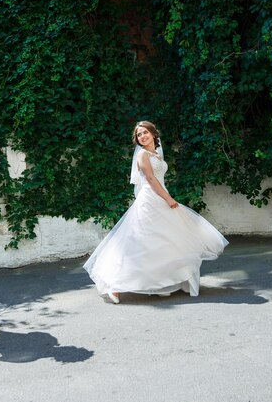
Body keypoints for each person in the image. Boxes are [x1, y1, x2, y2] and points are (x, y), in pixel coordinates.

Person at [83, 121, 228, 304]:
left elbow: (159, 178)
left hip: (160, 196)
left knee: (164, 241)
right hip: (150, 199)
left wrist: (166, 197)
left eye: (144, 133)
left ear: (153, 134)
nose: (142, 136)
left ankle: (161, 284)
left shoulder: (156, 154)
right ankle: (114, 286)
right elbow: (150, 179)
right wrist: (168, 199)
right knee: (140, 243)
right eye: (138, 135)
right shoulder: (143, 154)